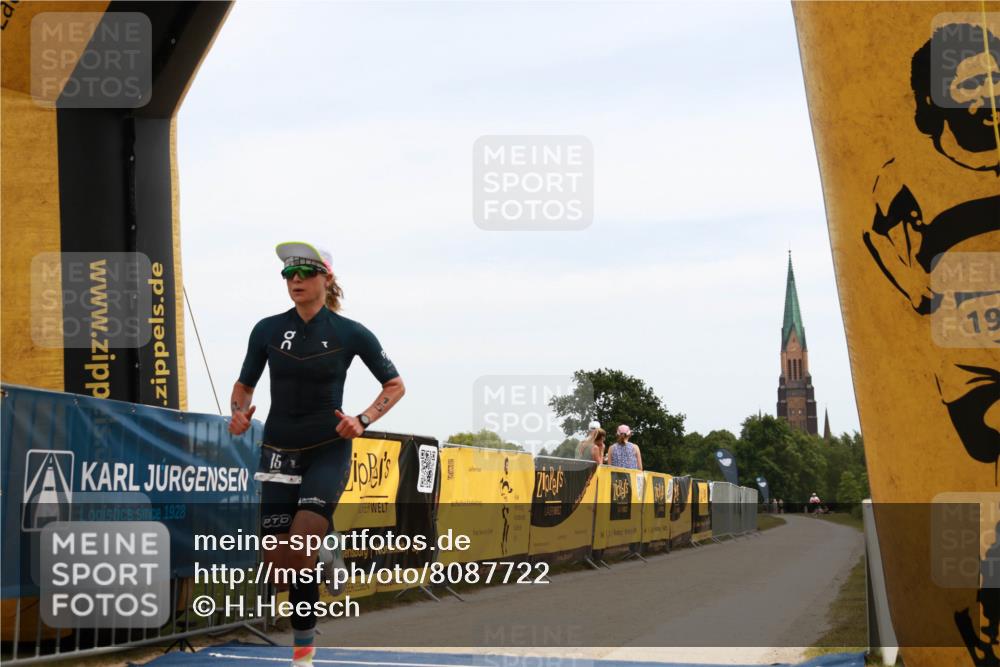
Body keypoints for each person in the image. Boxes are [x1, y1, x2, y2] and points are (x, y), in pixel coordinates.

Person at [228, 242, 405, 666]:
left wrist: (362, 419)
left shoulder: (351, 333)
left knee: (301, 541)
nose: (296, 281)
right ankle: (327, 546)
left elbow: (395, 385)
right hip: (278, 450)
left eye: (305, 273)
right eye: (289, 274)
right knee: (282, 569)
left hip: (327, 448)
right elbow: (244, 387)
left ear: (327, 278)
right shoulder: (267, 330)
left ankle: (303, 657)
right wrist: (237, 413)